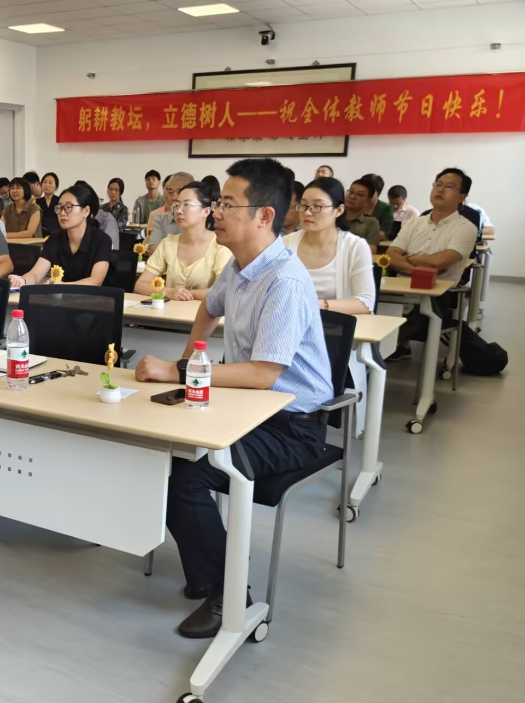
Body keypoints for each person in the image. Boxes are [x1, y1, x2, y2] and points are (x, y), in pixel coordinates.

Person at [134, 157, 333, 639]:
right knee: (163, 455)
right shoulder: (241, 266)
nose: (216, 212)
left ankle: (230, 595)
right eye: (218, 202)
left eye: (227, 203)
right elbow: (208, 307)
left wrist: (179, 371)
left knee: (188, 474)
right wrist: (188, 361)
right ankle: (207, 576)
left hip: (291, 424)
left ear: (264, 216)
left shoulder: (284, 279)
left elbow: (264, 375)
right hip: (245, 408)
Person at [283, 176, 375, 435]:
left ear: (339, 210)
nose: (307, 212)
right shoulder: (286, 244)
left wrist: (318, 305)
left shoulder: (354, 247)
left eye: (317, 206)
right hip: (288, 331)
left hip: (332, 336)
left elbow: (365, 302)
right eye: (303, 205)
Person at [387, 168, 478, 361]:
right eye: (438, 184)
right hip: (400, 290)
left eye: (449, 187)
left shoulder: (466, 228)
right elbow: (391, 255)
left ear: (462, 197)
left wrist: (410, 258)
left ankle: (393, 346)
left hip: (437, 295)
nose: (440, 189)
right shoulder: (414, 223)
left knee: (406, 322)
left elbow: (442, 261)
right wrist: (421, 269)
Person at [135, 181, 232, 301]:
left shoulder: (220, 246)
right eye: (177, 205)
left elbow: (221, 292)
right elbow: (140, 285)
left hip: (204, 312)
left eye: (187, 204)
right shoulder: (168, 243)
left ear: (206, 211)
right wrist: (169, 292)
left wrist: (185, 294)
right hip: (171, 311)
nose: (178, 211)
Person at [9, 183, 111, 288]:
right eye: (59, 207)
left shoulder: (101, 240)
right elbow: (35, 274)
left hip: (93, 297)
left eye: (68, 207)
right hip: (61, 296)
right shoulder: (54, 240)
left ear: (86, 211)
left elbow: (96, 281)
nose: (62, 213)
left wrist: (62, 286)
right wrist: (22, 280)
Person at [149, 172, 193, 248]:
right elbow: (153, 249)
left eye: (179, 191)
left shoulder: (202, 219)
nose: (174, 197)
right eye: (170, 192)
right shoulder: (160, 221)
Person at [343, 178, 382, 253]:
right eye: (351, 192)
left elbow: (371, 251)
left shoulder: (371, 223)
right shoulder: (333, 216)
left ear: (367, 201)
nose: (352, 197)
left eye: (360, 194)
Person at [362, 173, 394, 239]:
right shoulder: (351, 204)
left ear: (378, 193)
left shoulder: (386, 208)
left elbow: (385, 233)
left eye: (370, 192)